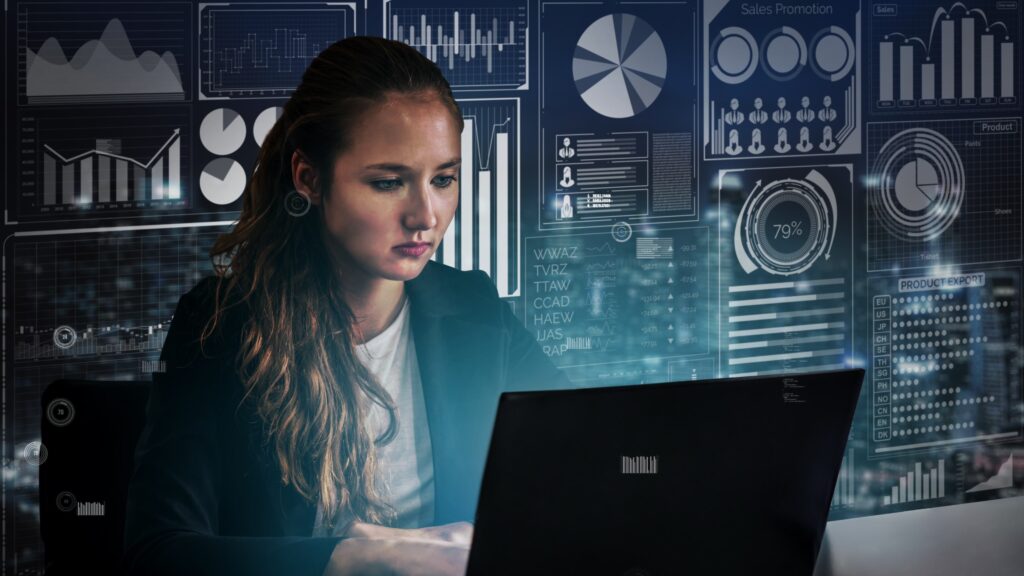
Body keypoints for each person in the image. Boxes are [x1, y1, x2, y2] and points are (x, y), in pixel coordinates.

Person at [122, 36, 569, 576]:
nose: (425, 215)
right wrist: (352, 556)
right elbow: (157, 553)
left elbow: (584, 460)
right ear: (309, 179)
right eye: (388, 182)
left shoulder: (474, 308)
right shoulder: (221, 325)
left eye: (444, 179)